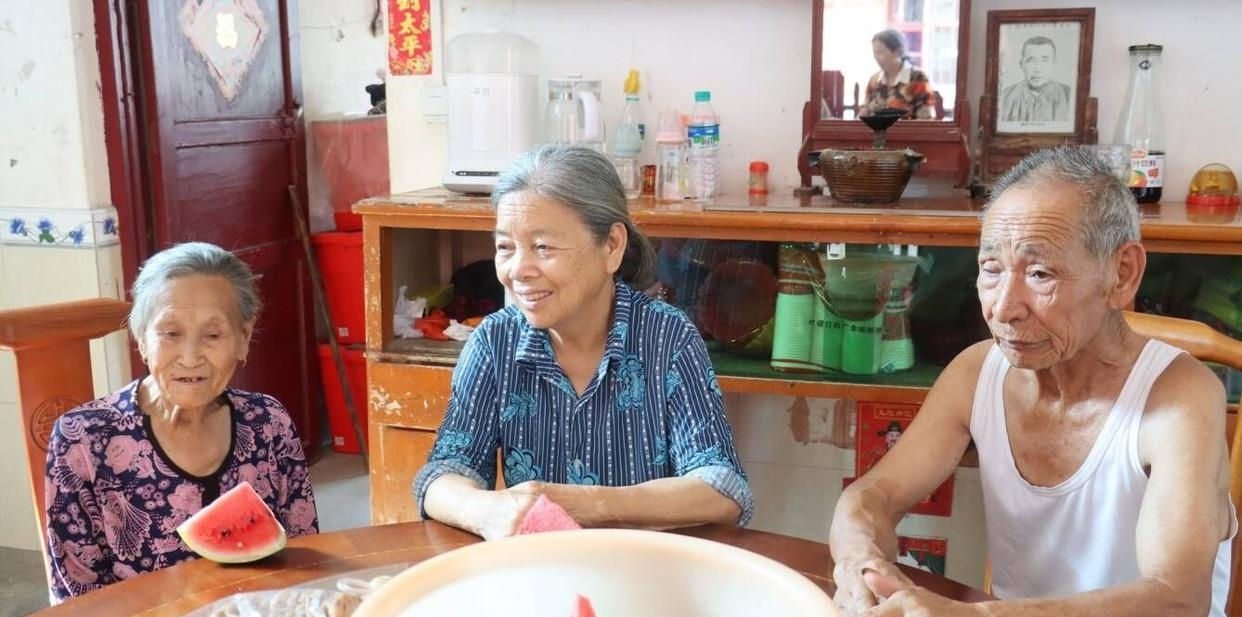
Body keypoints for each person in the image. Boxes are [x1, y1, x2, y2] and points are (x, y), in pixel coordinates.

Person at [828, 146, 1233, 617]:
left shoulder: (1179, 397)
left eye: (1040, 274)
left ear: (1122, 274)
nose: (1003, 308)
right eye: (991, 269)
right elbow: (873, 496)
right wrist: (858, 562)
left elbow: (1177, 598)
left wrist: (972, 615)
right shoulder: (977, 374)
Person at [413, 143, 753, 539]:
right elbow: (443, 474)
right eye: (505, 247)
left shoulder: (668, 337)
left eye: (543, 247)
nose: (518, 270)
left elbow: (721, 489)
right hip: (544, 567)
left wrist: (591, 504)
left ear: (611, 246)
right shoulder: (494, 342)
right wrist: (487, 510)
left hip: (645, 567)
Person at [44, 242, 319, 601]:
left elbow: (304, 560)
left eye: (213, 335)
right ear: (142, 338)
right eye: (170, 333)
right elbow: (77, 598)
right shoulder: (83, 439)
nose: (190, 358)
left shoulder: (268, 423)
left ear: (244, 338)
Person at [857, 29, 936, 120]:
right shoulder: (874, 80)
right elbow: (863, 113)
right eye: (875, 53)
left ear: (898, 51)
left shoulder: (917, 78)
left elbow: (926, 118)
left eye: (880, 52)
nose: (876, 57)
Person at [1001, 36, 1074, 123]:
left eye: (1044, 60)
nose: (1037, 69)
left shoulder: (1069, 96)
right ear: (1022, 65)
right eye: (1031, 60)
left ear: (1054, 64)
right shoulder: (1005, 96)